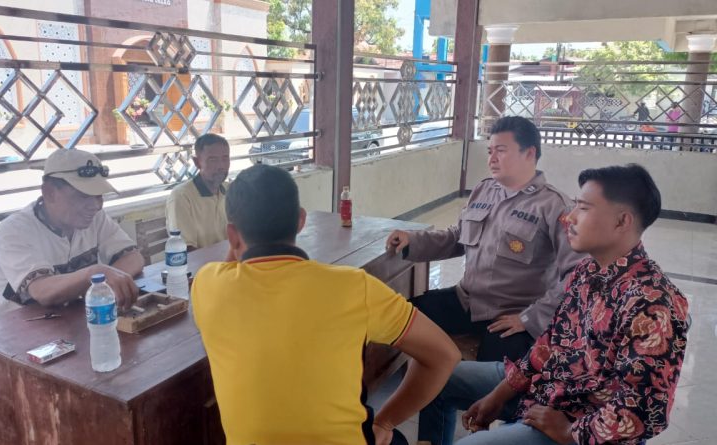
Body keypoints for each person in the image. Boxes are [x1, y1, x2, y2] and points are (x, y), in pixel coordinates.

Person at [191, 164, 461, 445]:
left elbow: (229, 264)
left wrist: (236, 241)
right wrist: (386, 421)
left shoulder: (207, 285)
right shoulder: (354, 287)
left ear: (232, 235)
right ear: (301, 221)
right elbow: (444, 356)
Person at [421, 164, 689, 445]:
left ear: (622, 221)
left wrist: (570, 432)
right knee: (435, 376)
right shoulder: (587, 272)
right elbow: (549, 343)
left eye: (583, 208)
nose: (568, 217)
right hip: (548, 389)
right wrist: (497, 396)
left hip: (578, 423)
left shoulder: (653, 303)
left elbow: (648, 410)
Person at [387, 116, 585, 365]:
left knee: (488, 376)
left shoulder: (555, 206)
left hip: (512, 312)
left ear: (529, 153)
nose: (492, 159)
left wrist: (530, 318)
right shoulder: (484, 190)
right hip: (465, 301)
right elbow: (456, 237)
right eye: (490, 151)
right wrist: (413, 240)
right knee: (399, 319)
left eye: (501, 151)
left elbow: (578, 274)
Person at [0, 149, 144, 318]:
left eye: (99, 196)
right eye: (83, 196)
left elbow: (133, 257)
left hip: (63, 319)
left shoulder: (94, 218)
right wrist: (95, 274)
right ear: (49, 193)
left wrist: (105, 281)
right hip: (8, 327)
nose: (96, 206)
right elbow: (43, 291)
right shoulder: (15, 230)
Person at [166, 133, 230, 251]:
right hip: (203, 262)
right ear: (197, 162)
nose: (221, 166)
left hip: (230, 260)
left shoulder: (230, 190)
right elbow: (185, 249)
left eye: (225, 158)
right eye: (213, 160)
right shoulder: (182, 196)